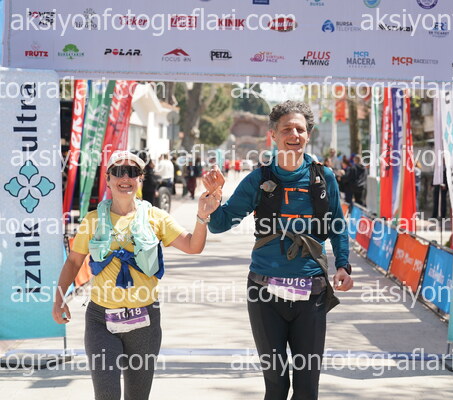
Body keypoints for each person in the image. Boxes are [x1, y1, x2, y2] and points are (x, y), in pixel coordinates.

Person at [203, 101, 353, 400]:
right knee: (276, 385)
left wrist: (343, 265)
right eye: (287, 129)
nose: (294, 134)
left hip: (311, 292)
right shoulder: (259, 180)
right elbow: (219, 224)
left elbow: (337, 225)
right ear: (273, 134)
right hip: (264, 293)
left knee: (307, 387)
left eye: (300, 129)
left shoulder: (324, 178)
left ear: (308, 134)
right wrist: (214, 196)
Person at [52, 150, 221, 400]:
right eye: (118, 172)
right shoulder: (92, 220)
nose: (125, 178)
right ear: (108, 179)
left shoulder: (156, 217)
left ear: (140, 178)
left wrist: (202, 217)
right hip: (101, 320)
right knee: (107, 395)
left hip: (145, 321)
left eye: (132, 172)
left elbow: (193, 246)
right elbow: (74, 261)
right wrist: (59, 299)